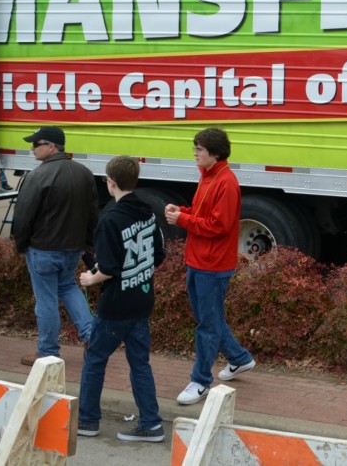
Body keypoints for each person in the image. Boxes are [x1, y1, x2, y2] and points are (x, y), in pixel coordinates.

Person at [77, 156, 166, 442]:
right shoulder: (150, 211)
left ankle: (87, 421)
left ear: (111, 182)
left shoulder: (110, 219)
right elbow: (159, 254)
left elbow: (110, 267)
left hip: (116, 306)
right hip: (142, 300)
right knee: (140, 363)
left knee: (95, 358)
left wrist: (91, 278)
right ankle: (151, 423)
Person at [165, 128, 255, 405]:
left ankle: (201, 381)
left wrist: (182, 220)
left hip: (212, 265)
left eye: (199, 150)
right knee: (209, 319)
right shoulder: (209, 177)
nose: (195, 153)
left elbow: (219, 226)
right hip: (200, 261)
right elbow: (205, 215)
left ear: (214, 153)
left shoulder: (226, 182)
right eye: (195, 148)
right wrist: (183, 212)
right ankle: (239, 359)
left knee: (207, 324)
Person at [13, 126, 97, 365]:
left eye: (36, 144)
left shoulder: (37, 175)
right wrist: (88, 244)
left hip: (43, 248)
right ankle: (92, 337)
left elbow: (24, 215)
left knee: (46, 299)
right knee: (68, 287)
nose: (32, 148)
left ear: (51, 146)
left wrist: (21, 245)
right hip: (72, 248)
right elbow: (93, 213)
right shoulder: (84, 173)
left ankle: (48, 352)